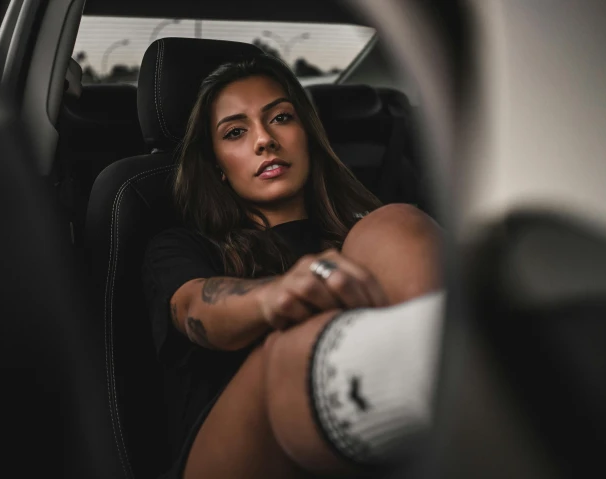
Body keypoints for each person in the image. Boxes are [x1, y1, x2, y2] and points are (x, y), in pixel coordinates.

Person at [143, 54, 443, 479]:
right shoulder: (181, 247)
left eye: (281, 117)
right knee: (299, 342)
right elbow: (196, 309)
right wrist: (276, 296)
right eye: (235, 132)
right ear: (218, 169)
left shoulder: (366, 235)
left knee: (395, 222)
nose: (264, 140)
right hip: (231, 458)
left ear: (307, 134)